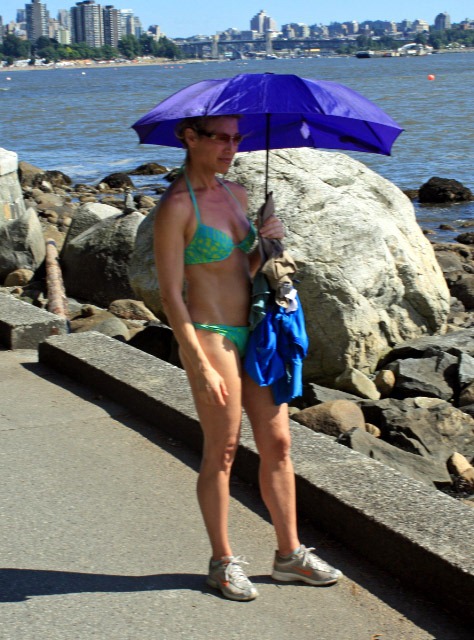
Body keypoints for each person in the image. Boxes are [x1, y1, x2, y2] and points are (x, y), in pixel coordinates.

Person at [153, 114, 342, 601]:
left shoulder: (236, 194)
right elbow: (171, 294)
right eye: (221, 138)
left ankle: (289, 555)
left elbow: (245, 269)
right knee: (224, 449)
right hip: (211, 334)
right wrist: (196, 361)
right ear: (190, 137)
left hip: (258, 333)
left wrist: (267, 241)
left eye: (237, 138)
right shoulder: (177, 206)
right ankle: (221, 562)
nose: (231, 148)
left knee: (278, 442)